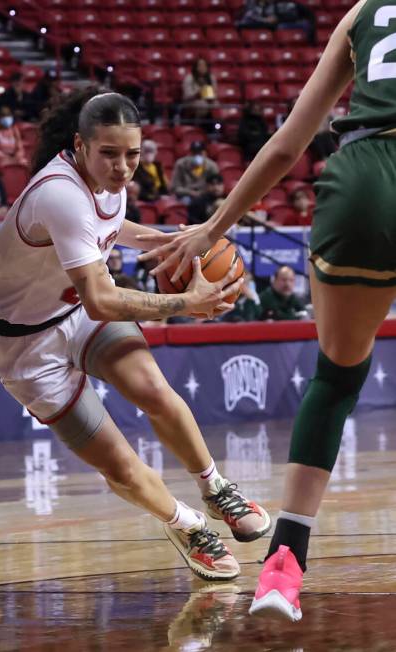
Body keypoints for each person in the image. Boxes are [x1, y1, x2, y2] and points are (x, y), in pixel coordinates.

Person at [137, 0, 389, 622]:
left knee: (336, 380)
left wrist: (213, 227)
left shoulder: (363, 12)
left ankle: (284, 566)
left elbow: (287, 146)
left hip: (362, 182)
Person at [0, 89, 270, 584]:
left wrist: (168, 238)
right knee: (121, 467)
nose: (122, 168)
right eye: (109, 155)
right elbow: (100, 297)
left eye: (132, 155)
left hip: (77, 312)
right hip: (29, 346)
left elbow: (113, 223)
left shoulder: (108, 184)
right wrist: (186, 304)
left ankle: (215, 486)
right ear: (80, 145)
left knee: (154, 391)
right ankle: (188, 526)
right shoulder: (59, 194)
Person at [182, 58, 218, 128]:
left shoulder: (211, 77)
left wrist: (211, 97)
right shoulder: (189, 78)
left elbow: (215, 93)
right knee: (202, 104)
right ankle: (197, 128)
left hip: (208, 101)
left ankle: (217, 128)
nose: (202, 67)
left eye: (204, 65)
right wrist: (197, 94)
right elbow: (187, 96)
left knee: (217, 105)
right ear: (195, 67)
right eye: (200, 65)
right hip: (192, 101)